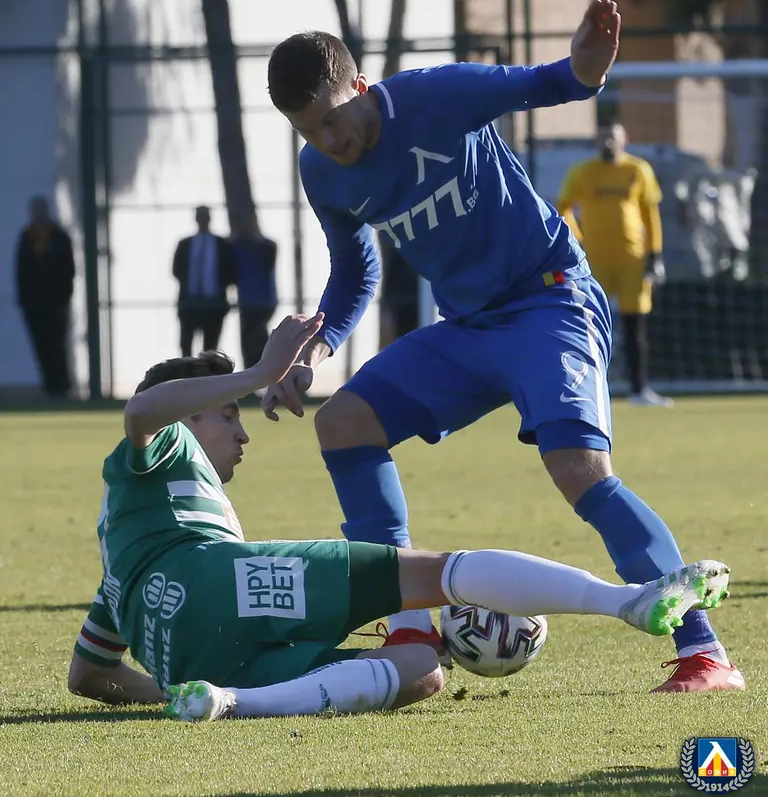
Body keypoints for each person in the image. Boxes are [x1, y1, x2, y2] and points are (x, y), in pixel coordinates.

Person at [261, 0, 744, 693]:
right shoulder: (322, 171)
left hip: (550, 301)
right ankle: (409, 627)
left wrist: (586, 70)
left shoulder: (436, 96)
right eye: (307, 130)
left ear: (360, 86)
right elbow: (356, 270)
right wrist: (319, 345)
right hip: (468, 328)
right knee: (343, 423)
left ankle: (704, 652)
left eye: (333, 120)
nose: (327, 140)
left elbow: (550, 83)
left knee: (578, 468)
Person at [66, 328, 732, 721]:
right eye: (227, 415)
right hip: (215, 580)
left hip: (190, 655)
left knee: (419, 669)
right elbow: (141, 413)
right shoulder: (164, 445)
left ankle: (230, 702)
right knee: (437, 573)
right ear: (188, 415)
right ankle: (627, 602)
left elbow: (88, 675)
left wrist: (165, 685)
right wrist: (263, 371)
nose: (242, 434)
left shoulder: (124, 552)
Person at [557, 122, 672, 407]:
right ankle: (585, 390)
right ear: (596, 141)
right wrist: (577, 241)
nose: (608, 142)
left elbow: (650, 214)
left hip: (632, 258)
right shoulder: (583, 172)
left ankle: (639, 390)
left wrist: (654, 254)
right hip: (594, 260)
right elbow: (563, 207)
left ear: (625, 140)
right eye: (603, 137)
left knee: (635, 325)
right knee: (588, 324)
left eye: (613, 137)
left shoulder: (638, 170)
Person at [15, 196, 75, 397]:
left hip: (56, 303)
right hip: (34, 305)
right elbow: (20, 272)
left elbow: (68, 270)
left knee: (57, 345)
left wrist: (64, 297)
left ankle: (62, 387)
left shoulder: (59, 237)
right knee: (41, 346)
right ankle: (49, 386)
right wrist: (24, 300)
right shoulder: (27, 237)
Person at [172, 206, 237, 357]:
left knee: (210, 349)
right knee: (186, 346)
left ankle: (206, 372)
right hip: (189, 303)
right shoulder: (185, 244)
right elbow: (176, 270)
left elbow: (231, 272)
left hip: (214, 304)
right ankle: (188, 372)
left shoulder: (222, 244)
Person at [232, 219, 278, 367]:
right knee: (248, 341)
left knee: (257, 339)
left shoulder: (264, 248)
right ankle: (254, 369)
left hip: (262, 302)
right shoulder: (240, 248)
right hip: (248, 302)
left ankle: (263, 368)